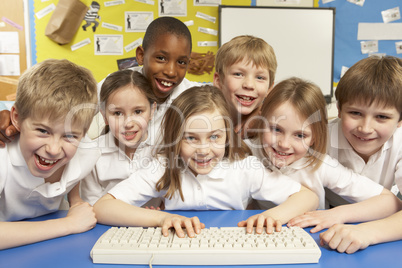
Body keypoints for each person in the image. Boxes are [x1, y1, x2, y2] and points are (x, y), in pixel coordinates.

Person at [93, 85, 318, 238]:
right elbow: (103, 208)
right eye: (191, 138)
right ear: (176, 138)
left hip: (232, 247)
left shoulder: (243, 167)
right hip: (178, 247)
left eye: (214, 137)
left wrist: (271, 216)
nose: (203, 150)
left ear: (227, 135)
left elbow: (308, 197)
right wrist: (163, 218)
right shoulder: (164, 166)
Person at [0, 16, 202, 147]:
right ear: (141, 55)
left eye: (181, 62)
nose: (170, 71)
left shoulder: (195, 96)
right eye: (161, 58)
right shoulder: (116, 85)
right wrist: (16, 118)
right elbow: (67, 107)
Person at [246, 77, 401, 233]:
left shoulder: (320, 164)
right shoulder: (246, 153)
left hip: (311, 239)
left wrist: (336, 214)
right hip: (258, 235)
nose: (284, 144)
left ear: (315, 137)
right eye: (276, 129)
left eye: (300, 135)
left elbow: (390, 202)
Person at [0, 59, 100, 250]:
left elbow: (75, 171)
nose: (53, 150)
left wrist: (76, 200)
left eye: (69, 135)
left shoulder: (87, 152)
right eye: (43, 131)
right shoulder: (2, 159)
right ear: (17, 119)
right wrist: (68, 224)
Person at [324, 55, 402, 207]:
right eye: (355, 113)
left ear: (400, 120)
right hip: (327, 214)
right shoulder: (319, 138)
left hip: (380, 214)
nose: (365, 129)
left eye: (381, 116)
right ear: (339, 109)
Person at [80, 69, 158, 206]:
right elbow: (92, 208)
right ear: (104, 115)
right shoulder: (91, 153)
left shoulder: (163, 148)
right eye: (117, 113)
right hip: (109, 225)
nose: (128, 123)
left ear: (152, 110)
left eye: (138, 111)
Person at [213, 35, 277, 139]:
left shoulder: (271, 129)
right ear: (218, 80)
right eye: (238, 74)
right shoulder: (203, 119)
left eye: (260, 77)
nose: (249, 85)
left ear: (269, 88)